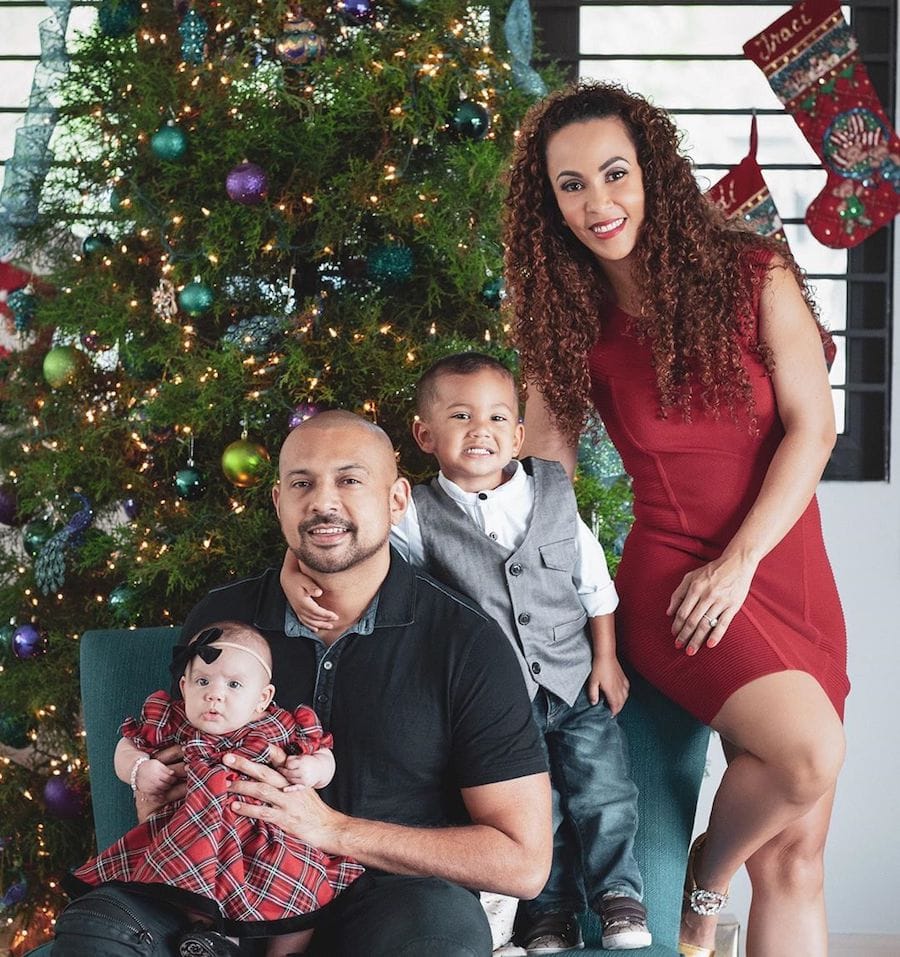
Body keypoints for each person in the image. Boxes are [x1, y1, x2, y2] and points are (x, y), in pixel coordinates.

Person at [502, 81, 848, 957]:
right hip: (674, 584)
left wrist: (742, 562)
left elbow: (815, 428)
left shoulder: (755, 271)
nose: (597, 202)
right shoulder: (568, 321)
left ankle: (717, 876)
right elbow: (546, 477)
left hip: (783, 565)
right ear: (549, 203)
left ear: (652, 171)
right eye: (570, 185)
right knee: (807, 756)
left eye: (614, 174)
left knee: (799, 858)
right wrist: (548, 599)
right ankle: (705, 880)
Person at [52, 410, 552, 957]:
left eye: (350, 479)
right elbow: (172, 756)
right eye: (302, 483)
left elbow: (523, 863)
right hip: (227, 885)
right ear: (278, 502)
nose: (323, 502)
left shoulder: (465, 641)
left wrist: (333, 830)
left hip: (393, 900)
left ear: (397, 498)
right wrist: (155, 797)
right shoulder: (223, 618)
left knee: (441, 937)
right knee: (100, 927)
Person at [288, 352, 651, 953]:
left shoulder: (555, 497)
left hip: (572, 684)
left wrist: (606, 660)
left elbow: (595, 588)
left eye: (496, 417)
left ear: (518, 433)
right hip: (492, 705)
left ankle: (618, 895)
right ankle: (549, 916)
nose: (479, 430)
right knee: (544, 811)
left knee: (605, 790)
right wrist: (291, 569)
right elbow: (345, 537)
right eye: (460, 416)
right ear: (425, 436)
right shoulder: (415, 515)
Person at [68, 621, 362, 957]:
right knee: (195, 892)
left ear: (262, 699)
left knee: (305, 889)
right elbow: (126, 746)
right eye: (203, 681)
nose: (214, 694)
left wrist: (311, 769)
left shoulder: (280, 726)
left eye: (234, 684)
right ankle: (214, 943)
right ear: (184, 686)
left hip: (266, 841)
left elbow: (324, 755)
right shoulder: (173, 720)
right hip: (193, 834)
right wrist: (138, 769)